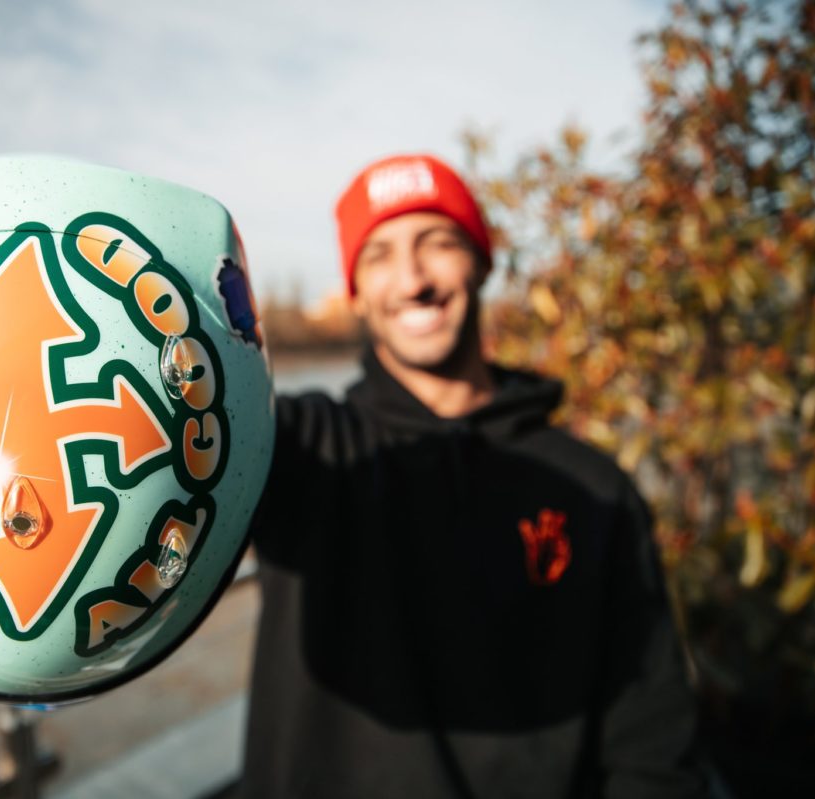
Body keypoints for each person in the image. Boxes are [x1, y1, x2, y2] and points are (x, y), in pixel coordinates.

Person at [238, 154, 704, 798]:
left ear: (482, 263)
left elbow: (649, 734)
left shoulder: (594, 488)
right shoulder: (293, 449)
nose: (413, 280)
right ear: (355, 293)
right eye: (379, 255)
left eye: (437, 243)